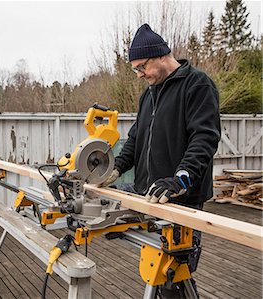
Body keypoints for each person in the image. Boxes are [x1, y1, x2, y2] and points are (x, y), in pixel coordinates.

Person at [98, 24, 221, 298]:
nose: (140, 74)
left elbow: (205, 138)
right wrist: (115, 169)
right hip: (150, 196)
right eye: (136, 70)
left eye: (142, 67)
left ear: (161, 56)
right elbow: (135, 140)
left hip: (182, 200)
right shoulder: (148, 94)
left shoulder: (197, 85)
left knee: (175, 277)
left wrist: (181, 178)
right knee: (155, 270)